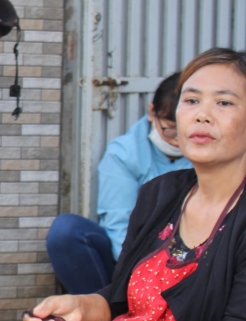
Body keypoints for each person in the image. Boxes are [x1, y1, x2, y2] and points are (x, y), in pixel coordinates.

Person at [0, 48, 246, 321]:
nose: (202, 114)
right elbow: (122, 301)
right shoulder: (161, 195)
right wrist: (81, 307)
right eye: (191, 99)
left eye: (224, 103)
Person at [46, 73, 193, 294]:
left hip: (186, 258)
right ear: (152, 112)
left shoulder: (209, 152)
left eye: (185, 131)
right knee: (66, 231)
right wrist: (141, 280)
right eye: (170, 129)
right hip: (136, 256)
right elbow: (120, 225)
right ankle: (98, 318)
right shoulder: (124, 153)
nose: (177, 140)